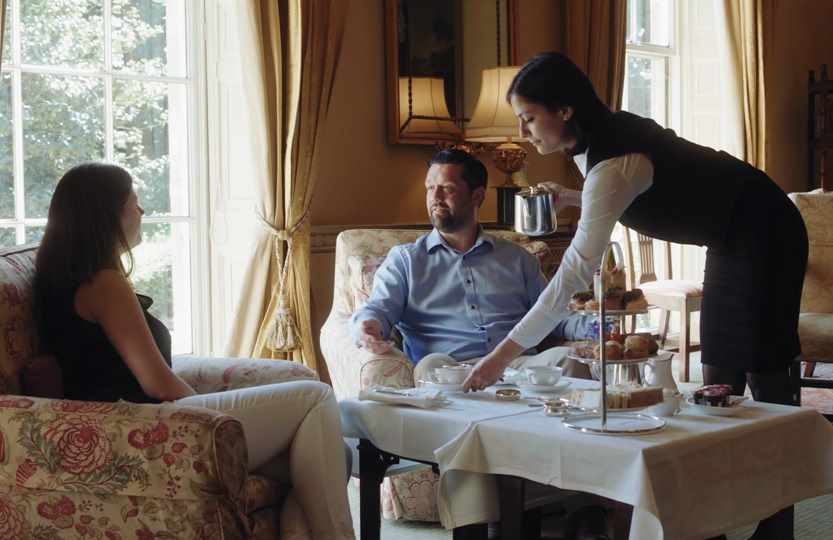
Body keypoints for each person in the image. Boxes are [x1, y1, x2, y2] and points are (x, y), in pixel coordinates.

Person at [462, 52, 808, 540]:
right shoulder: (599, 140)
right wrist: (574, 199)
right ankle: (712, 524)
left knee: (766, 380)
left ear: (563, 110)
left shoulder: (612, 160)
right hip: (730, 236)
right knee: (717, 382)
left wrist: (502, 355)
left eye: (528, 118)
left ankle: (779, 527)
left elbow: (570, 277)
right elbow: (643, 185)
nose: (524, 132)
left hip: (767, 229)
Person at [33, 163, 355, 540]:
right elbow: (157, 384)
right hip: (151, 428)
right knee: (315, 396)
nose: (141, 212)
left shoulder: (63, 279)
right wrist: (208, 414)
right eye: (134, 203)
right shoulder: (104, 283)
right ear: (109, 215)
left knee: (330, 458)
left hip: (132, 423)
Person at [350, 148, 591, 384]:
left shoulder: (518, 259)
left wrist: (601, 327)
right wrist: (367, 326)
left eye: (447, 189)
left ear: (477, 196)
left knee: (569, 361)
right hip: (449, 371)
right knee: (429, 366)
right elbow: (378, 309)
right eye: (431, 188)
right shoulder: (405, 260)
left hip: (516, 369)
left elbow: (555, 315)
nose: (435, 197)